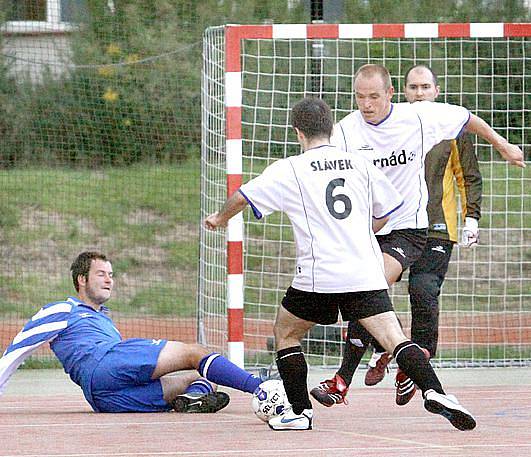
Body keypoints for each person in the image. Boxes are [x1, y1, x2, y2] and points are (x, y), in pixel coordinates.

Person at [205, 97, 477, 432]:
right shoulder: (359, 164)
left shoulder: (290, 169)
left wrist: (219, 218)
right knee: (394, 337)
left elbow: (243, 196)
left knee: (286, 333)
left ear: (297, 133)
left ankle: (300, 412)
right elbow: (387, 209)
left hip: (319, 277)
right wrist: (363, 231)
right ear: (332, 129)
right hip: (364, 272)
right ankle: (435, 391)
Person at [310, 63, 522, 408]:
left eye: (374, 96)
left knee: (379, 287)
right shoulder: (346, 131)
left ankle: (345, 379)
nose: (367, 104)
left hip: (409, 227)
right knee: (364, 300)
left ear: (390, 94)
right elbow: (320, 166)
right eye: (360, 97)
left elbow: (467, 117)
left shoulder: (418, 117)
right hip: (369, 230)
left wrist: (501, 144)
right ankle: (399, 361)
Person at [0, 251, 266, 413]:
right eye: (101, 274)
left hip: (104, 399)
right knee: (195, 352)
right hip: (103, 363)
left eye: (111, 275)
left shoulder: (106, 321)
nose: (109, 280)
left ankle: (193, 398)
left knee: (203, 377)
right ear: (81, 279)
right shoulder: (63, 309)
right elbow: (21, 347)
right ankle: (262, 388)